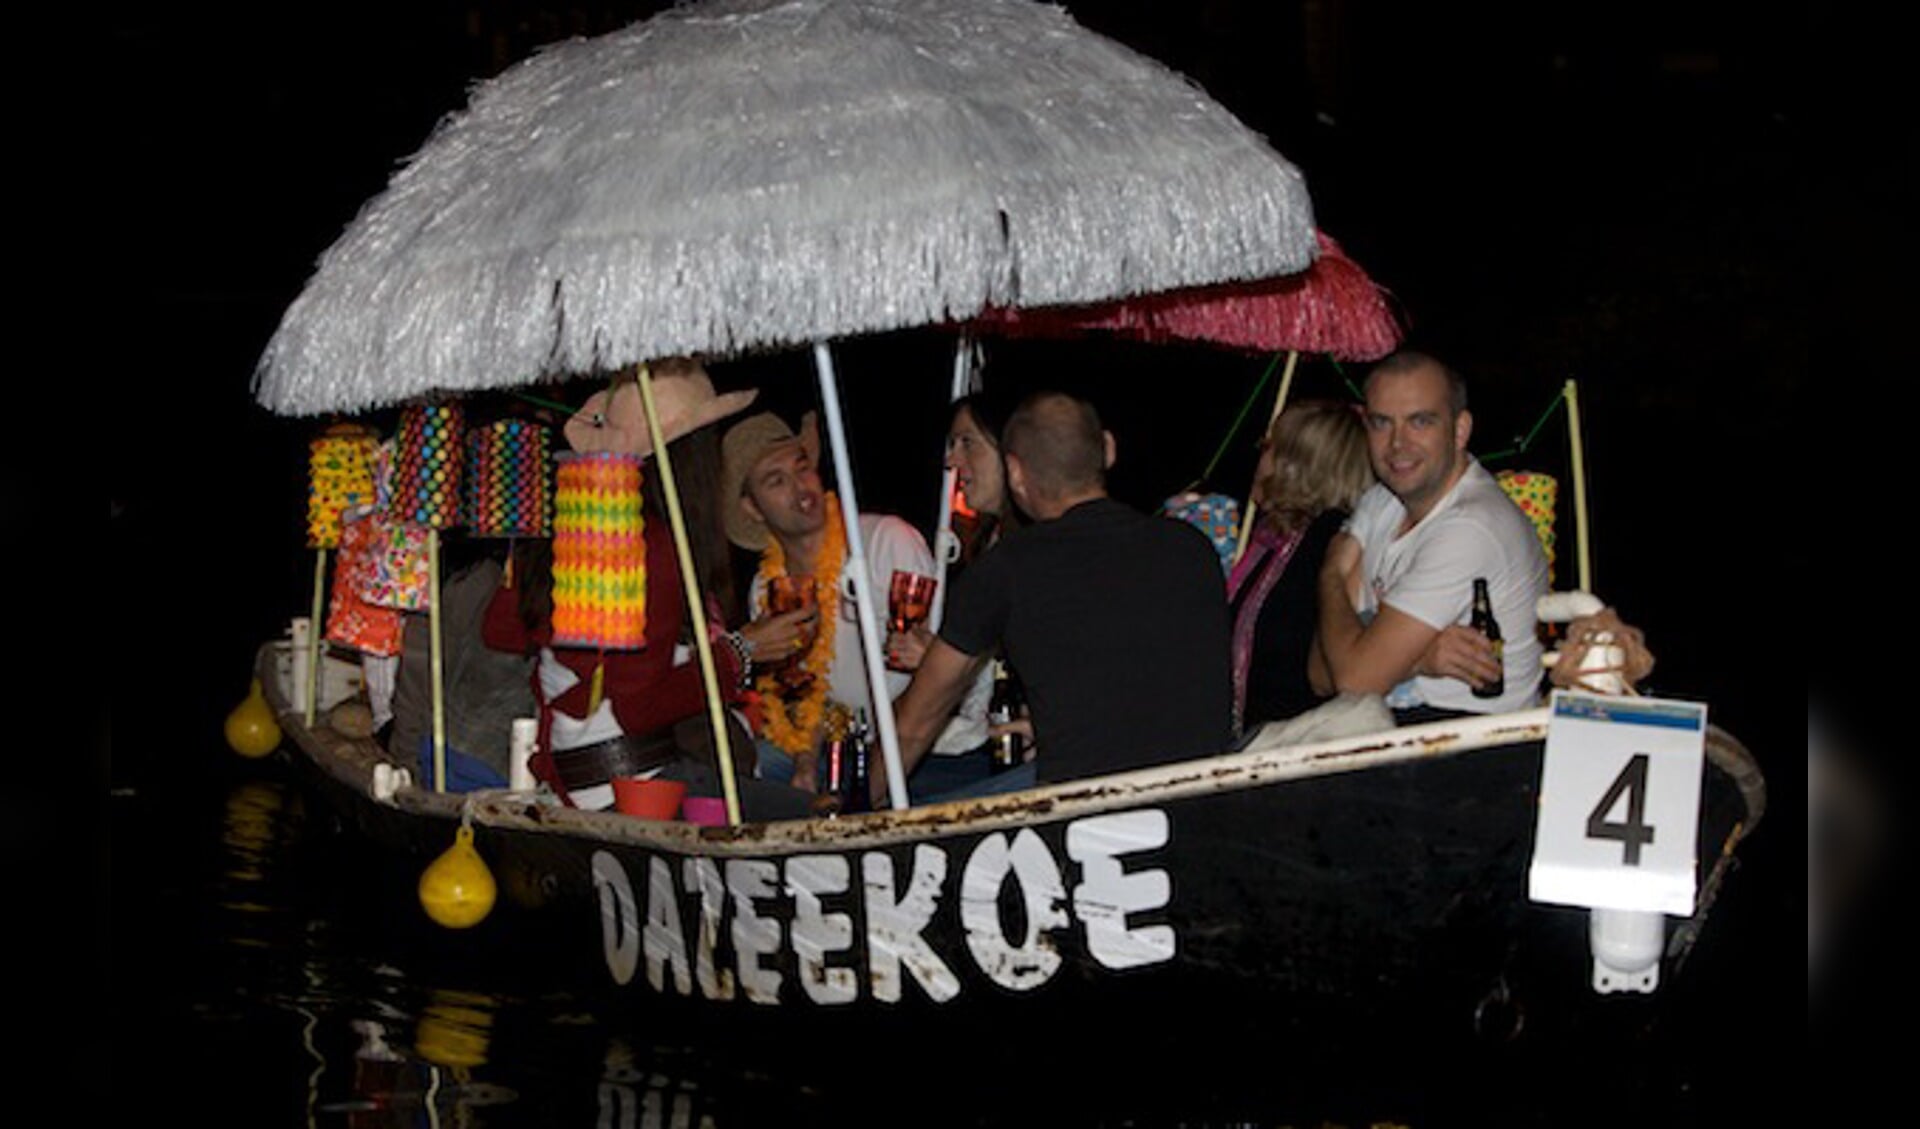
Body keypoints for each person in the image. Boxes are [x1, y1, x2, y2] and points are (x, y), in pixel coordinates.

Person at [483, 361, 811, 819]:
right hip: (639, 785)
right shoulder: (648, 543)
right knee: (826, 815)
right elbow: (639, 707)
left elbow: (502, 630)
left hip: (576, 781)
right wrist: (741, 650)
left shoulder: (572, 526)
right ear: (691, 454)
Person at [884, 391, 1234, 796]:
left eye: (967, 443)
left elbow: (914, 725)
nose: (952, 461)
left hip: (1080, 820)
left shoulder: (1008, 569)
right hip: (1201, 804)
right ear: (1107, 449)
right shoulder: (1192, 548)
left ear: (1014, 472)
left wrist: (856, 806)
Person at [1314, 351, 1549, 721]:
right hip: (1390, 731)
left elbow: (1351, 679)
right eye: (1381, 423)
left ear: (1459, 431)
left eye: (1419, 422)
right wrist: (1417, 660)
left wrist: (1330, 574)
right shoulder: (1380, 504)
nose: (1397, 444)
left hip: (1475, 742)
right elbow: (1320, 673)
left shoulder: (1471, 527)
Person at [722, 409, 944, 791]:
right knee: (738, 766)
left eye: (802, 467)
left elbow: (941, 674)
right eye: (776, 481)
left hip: (926, 751)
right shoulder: (766, 586)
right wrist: (806, 764)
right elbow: (803, 692)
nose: (800, 486)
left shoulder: (883, 541)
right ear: (752, 508)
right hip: (839, 751)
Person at [884, 391, 1026, 801]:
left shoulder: (1030, 553)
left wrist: (936, 661)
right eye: (951, 444)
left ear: (1009, 449)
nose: (951, 461)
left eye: (967, 443)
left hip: (997, 755)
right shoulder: (993, 543)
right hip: (979, 742)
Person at [1229, 399, 1375, 730]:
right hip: (1260, 737)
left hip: (1300, 741)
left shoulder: (1329, 539)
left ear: (1299, 463)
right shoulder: (1272, 540)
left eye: (1268, 448)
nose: (1259, 459)